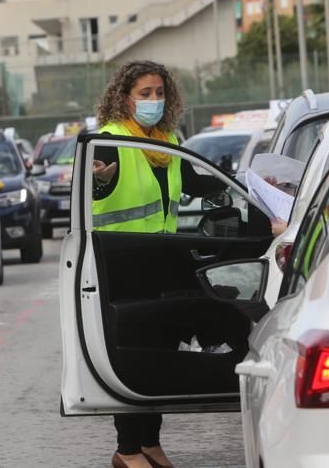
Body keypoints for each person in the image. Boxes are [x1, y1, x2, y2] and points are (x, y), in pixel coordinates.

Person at [92, 60, 223, 468]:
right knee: (134, 357)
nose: (153, 100)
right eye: (144, 94)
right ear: (123, 97)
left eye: (159, 93)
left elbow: (198, 183)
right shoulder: (109, 141)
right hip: (124, 265)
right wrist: (99, 179)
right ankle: (127, 449)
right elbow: (94, 188)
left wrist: (249, 188)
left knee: (161, 353)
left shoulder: (167, 140)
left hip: (162, 261)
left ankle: (149, 443)